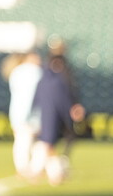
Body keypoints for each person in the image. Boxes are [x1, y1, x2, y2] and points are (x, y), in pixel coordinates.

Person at [27, 44, 85, 186]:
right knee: (46, 143)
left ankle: (46, 171)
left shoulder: (58, 76)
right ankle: (51, 172)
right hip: (49, 114)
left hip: (51, 113)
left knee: (46, 143)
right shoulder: (53, 76)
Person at [2, 50, 43, 177]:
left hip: (18, 113)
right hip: (32, 113)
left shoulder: (16, 72)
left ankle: (25, 168)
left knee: (22, 142)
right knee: (28, 142)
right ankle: (31, 169)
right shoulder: (34, 72)